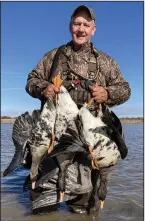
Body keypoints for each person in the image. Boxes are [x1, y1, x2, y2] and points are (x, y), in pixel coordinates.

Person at [25, 5, 131, 213]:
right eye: (76, 24)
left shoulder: (105, 62)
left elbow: (125, 90)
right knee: (43, 204)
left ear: (93, 29)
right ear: (70, 26)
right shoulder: (53, 56)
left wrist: (107, 94)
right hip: (55, 138)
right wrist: (44, 88)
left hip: (88, 143)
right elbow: (31, 81)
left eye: (85, 24)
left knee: (83, 206)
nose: (80, 29)